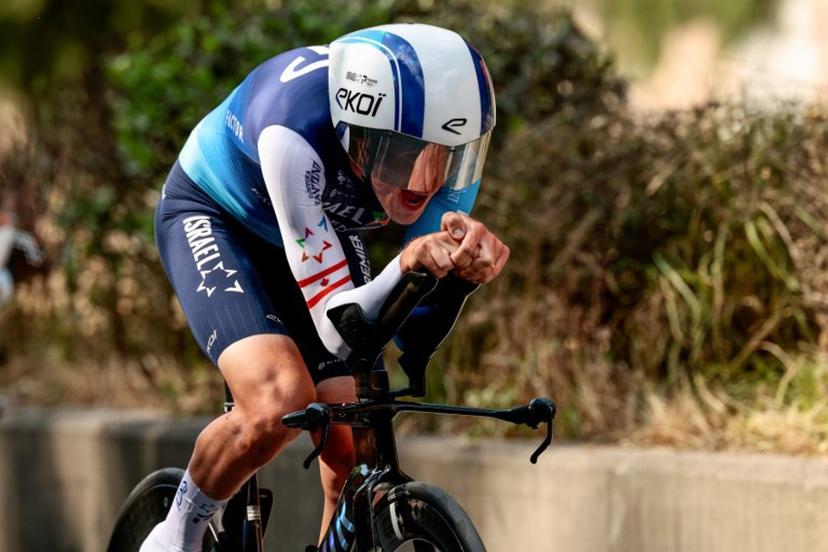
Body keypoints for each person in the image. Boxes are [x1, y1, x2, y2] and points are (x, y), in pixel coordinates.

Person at [142, 23, 509, 552]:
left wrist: (458, 278)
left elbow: (411, 334)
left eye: (447, 156)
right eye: (404, 154)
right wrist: (408, 262)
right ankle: (176, 534)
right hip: (218, 215)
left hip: (318, 224)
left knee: (356, 441)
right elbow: (337, 332)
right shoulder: (293, 130)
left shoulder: (448, 162)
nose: (424, 183)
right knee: (277, 403)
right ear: (356, 131)